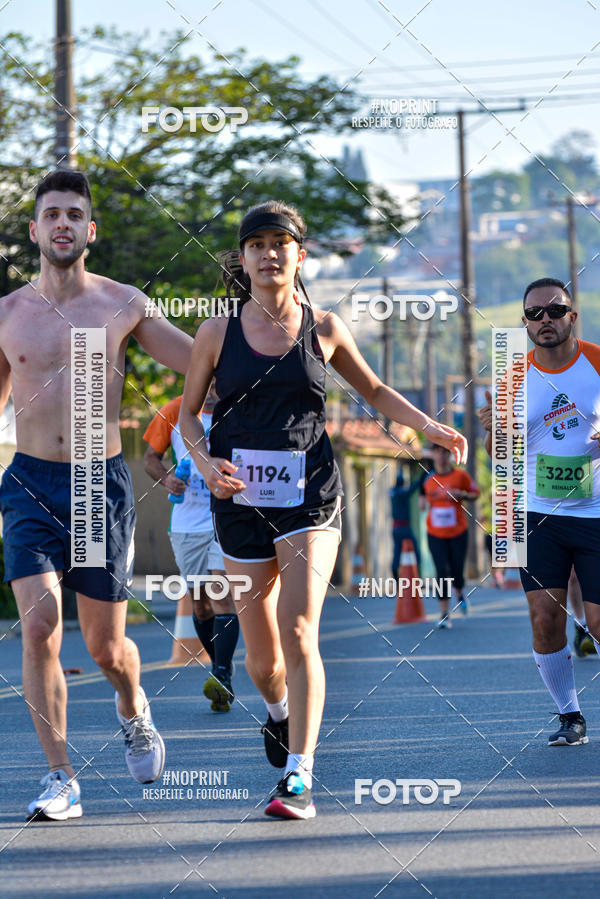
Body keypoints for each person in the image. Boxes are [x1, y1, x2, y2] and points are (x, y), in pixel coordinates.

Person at [179, 200, 467, 819]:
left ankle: (299, 776)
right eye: (256, 244)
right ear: (245, 258)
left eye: (279, 243)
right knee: (262, 662)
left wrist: (432, 428)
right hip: (239, 500)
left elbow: (376, 391)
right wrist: (205, 468)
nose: (268, 253)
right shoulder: (214, 333)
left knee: (301, 627)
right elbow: (187, 417)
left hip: (311, 494)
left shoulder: (325, 327)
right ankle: (279, 715)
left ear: (298, 256)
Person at [0, 170, 192, 820]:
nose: (62, 223)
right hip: (28, 480)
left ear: (90, 230)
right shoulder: (7, 313)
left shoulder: (122, 303)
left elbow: (198, 360)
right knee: (40, 625)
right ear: (34, 229)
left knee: (106, 648)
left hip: (93, 485)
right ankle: (61, 778)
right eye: (51, 213)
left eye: (73, 214)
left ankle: (134, 706)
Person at [479, 276, 600, 747]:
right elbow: (500, 455)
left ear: (572, 315)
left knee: (595, 619)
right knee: (544, 617)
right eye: (534, 314)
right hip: (538, 514)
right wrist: (493, 431)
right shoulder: (512, 378)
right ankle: (570, 716)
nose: (544, 320)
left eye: (554, 311)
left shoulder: (595, 361)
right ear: (525, 323)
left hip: (595, 512)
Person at [143, 385, 239, 710]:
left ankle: (223, 675)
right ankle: (219, 665)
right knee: (200, 605)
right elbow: (150, 459)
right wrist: (167, 479)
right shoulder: (174, 410)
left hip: (226, 517)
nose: (213, 386)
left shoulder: (236, 406)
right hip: (186, 522)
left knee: (221, 593)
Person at [419, 445, 480, 627]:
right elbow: (421, 499)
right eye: (438, 452)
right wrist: (422, 503)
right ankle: (445, 613)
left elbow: (475, 494)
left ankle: (460, 592)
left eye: (445, 452)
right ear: (433, 454)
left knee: (456, 571)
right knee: (441, 571)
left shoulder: (460, 476)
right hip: (435, 533)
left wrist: (462, 494)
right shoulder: (427, 478)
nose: (441, 456)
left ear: (449, 455)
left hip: (458, 533)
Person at [389, 470, 425, 578]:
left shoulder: (392, 492)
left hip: (395, 529)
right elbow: (412, 489)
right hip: (404, 528)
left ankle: (396, 577)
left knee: (397, 553)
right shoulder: (402, 493)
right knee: (416, 552)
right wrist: (421, 479)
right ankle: (417, 577)